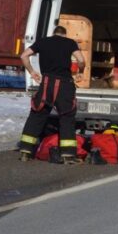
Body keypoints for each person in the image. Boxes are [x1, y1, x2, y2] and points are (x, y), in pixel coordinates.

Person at [18, 26, 86, 163]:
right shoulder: (70, 43)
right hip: (64, 85)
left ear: (53, 33)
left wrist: (32, 72)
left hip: (47, 83)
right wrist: (80, 72)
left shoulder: (43, 41)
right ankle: (68, 154)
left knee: (37, 114)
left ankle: (26, 150)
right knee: (66, 117)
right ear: (64, 34)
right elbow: (81, 60)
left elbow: (23, 55)